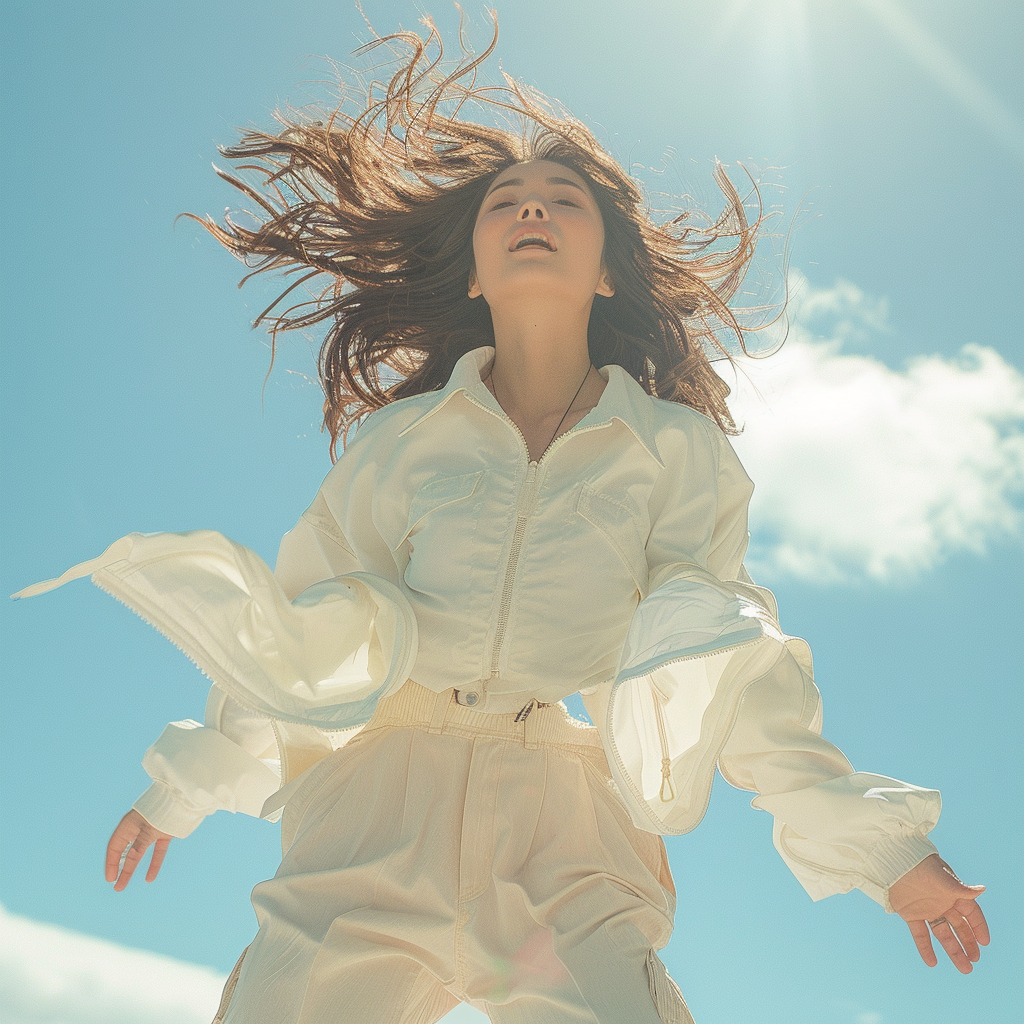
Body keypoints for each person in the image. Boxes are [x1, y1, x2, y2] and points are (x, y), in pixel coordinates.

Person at [14, 18, 988, 1024]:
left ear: (606, 270)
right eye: (507, 205)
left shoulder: (672, 453)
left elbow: (726, 662)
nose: (533, 209)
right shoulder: (402, 444)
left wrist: (884, 853)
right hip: (374, 820)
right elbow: (304, 629)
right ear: (474, 271)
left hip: (562, 838)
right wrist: (182, 786)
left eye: (564, 201)